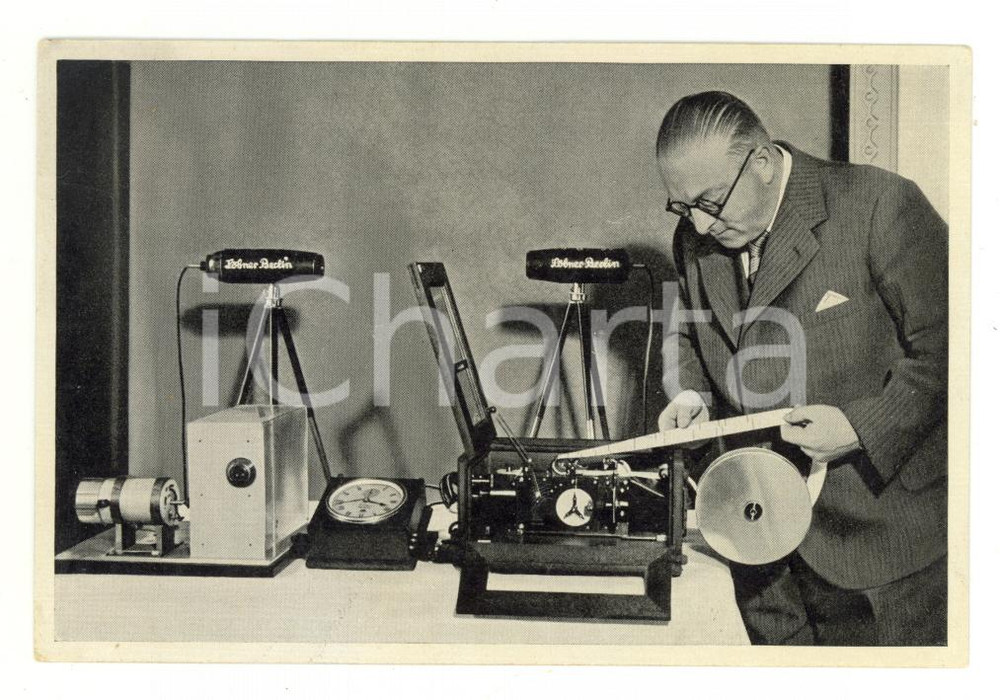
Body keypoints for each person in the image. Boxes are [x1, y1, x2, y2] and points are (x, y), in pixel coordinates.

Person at [655, 91, 948, 646]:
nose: (696, 222)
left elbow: (955, 350)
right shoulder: (696, 236)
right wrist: (689, 393)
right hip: (760, 549)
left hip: (886, 553)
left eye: (709, 201)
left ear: (762, 163)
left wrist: (862, 428)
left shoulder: (881, 206)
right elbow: (688, 333)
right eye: (681, 206)